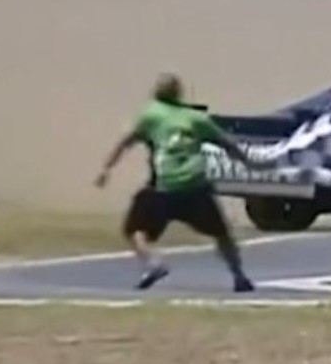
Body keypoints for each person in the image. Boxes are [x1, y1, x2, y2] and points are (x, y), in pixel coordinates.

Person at [94, 73, 264, 292]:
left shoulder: (150, 113)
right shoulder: (196, 118)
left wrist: (106, 169)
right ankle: (239, 276)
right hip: (195, 185)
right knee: (221, 234)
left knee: (135, 230)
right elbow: (226, 143)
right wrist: (249, 163)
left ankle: (153, 263)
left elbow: (125, 142)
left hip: (165, 187)